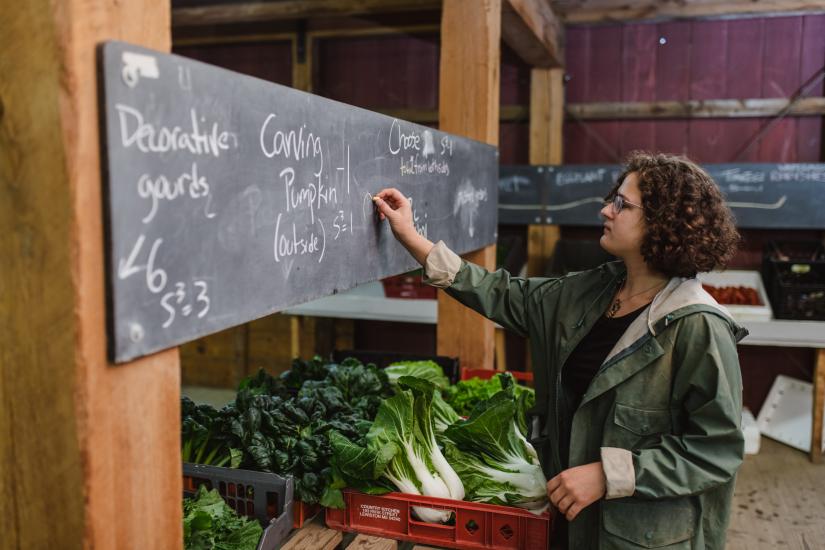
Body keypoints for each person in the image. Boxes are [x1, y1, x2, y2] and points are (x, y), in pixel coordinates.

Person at [372, 151, 747, 549]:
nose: (606, 210)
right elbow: (504, 295)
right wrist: (412, 238)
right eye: (611, 198)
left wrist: (608, 475)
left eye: (622, 204)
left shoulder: (698, 326)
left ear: (662, 222)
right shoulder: (594, 290)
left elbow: (715, 450)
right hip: (571, 522)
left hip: (644, 537)